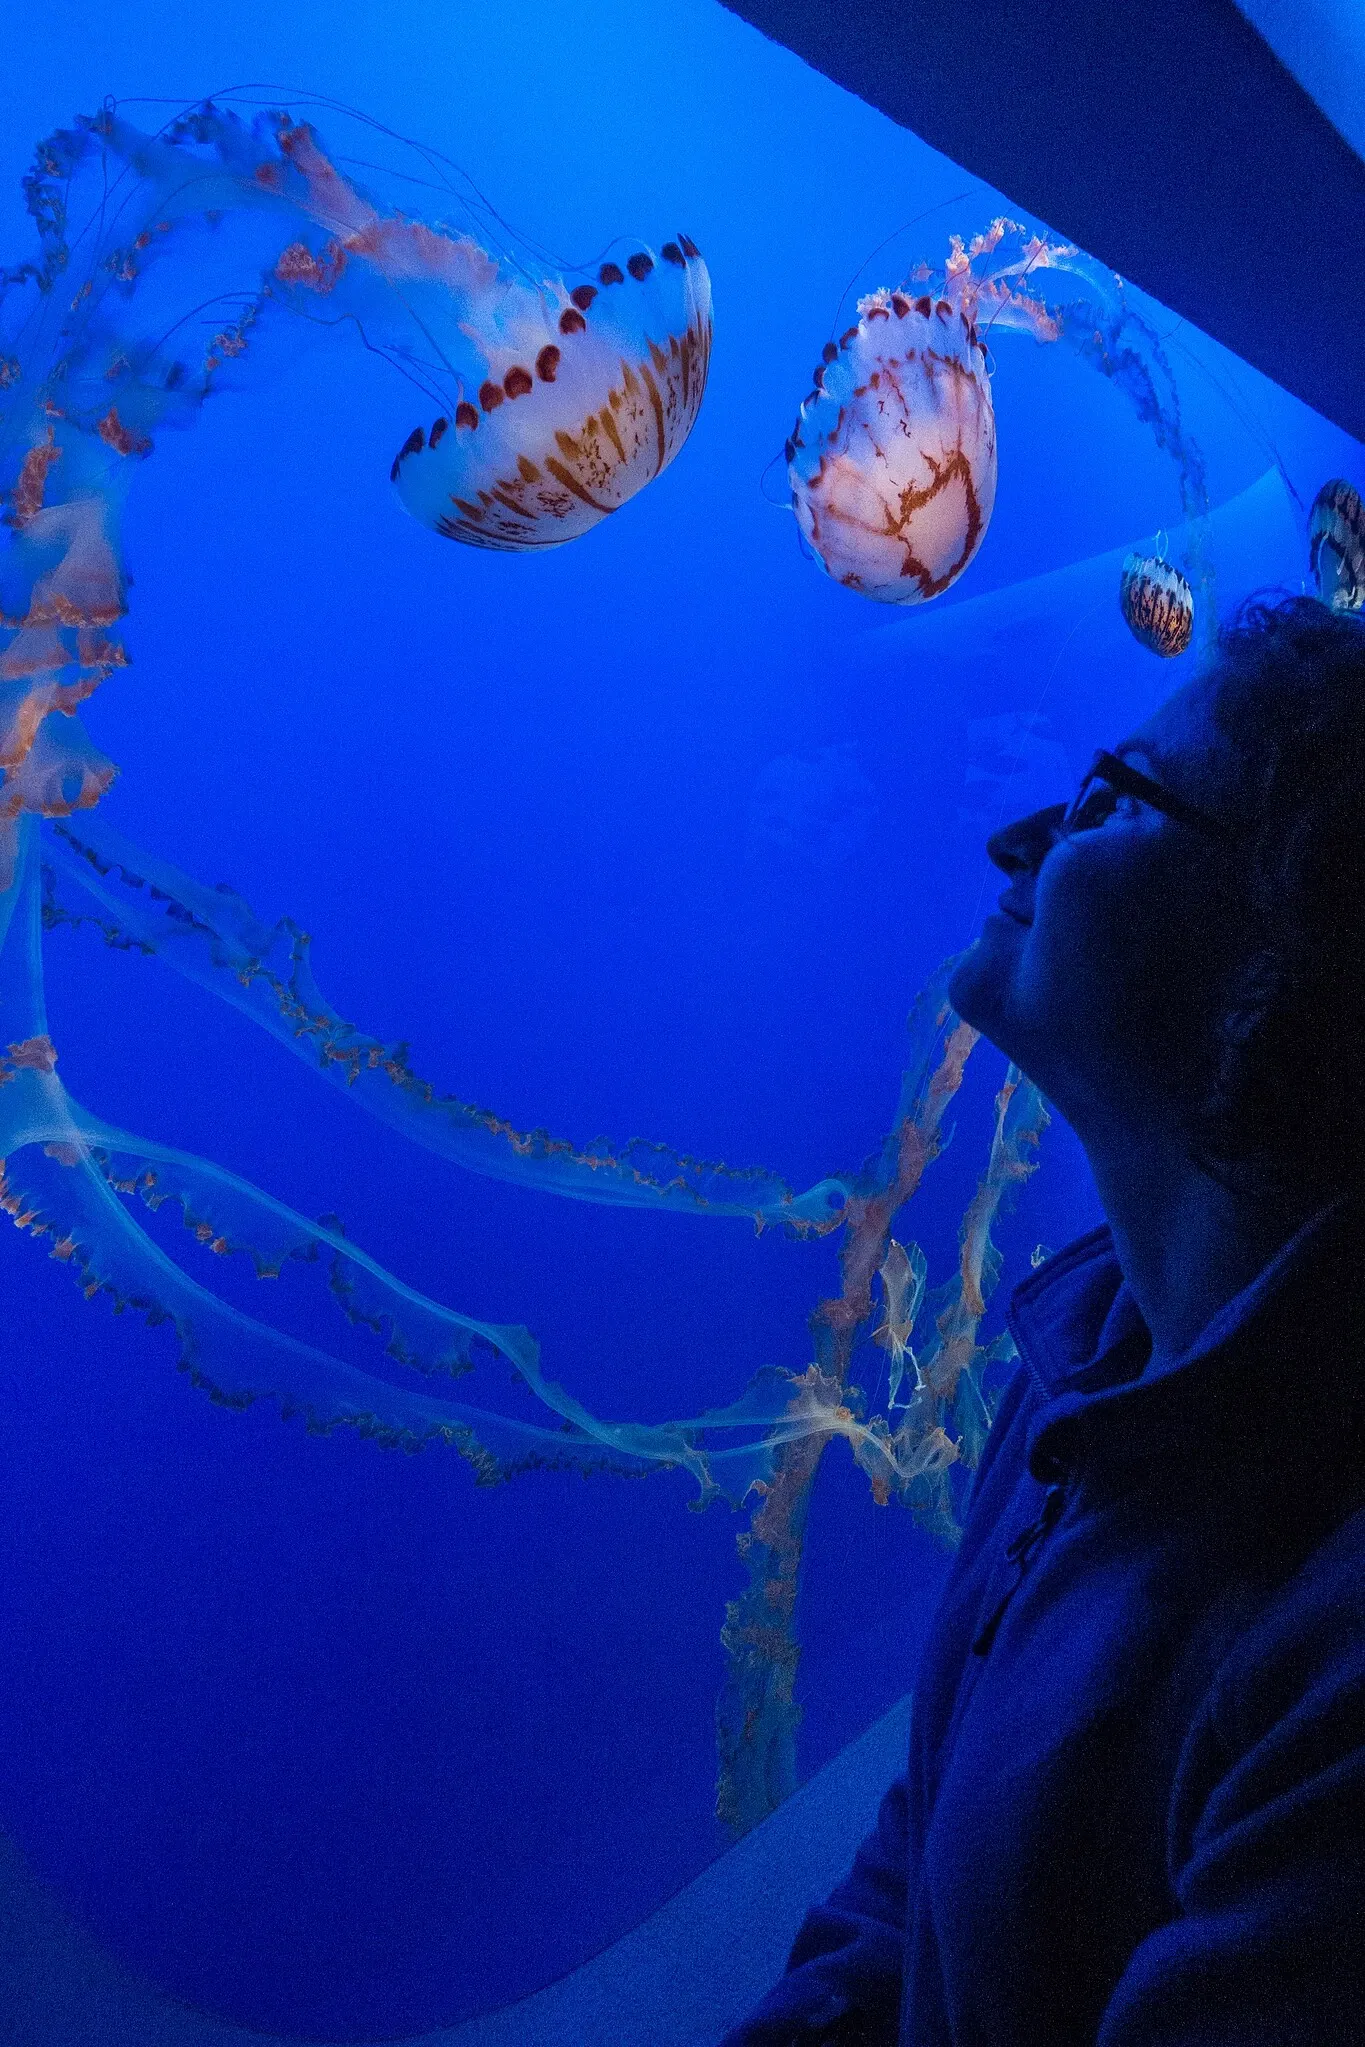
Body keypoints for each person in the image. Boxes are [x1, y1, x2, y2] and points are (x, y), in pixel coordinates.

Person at [723, 594, 1365, 2046]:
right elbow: (922, 1869)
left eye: (1110, 796)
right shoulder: (1094, 1347)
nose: (1018, 840)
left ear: (1295, 934)